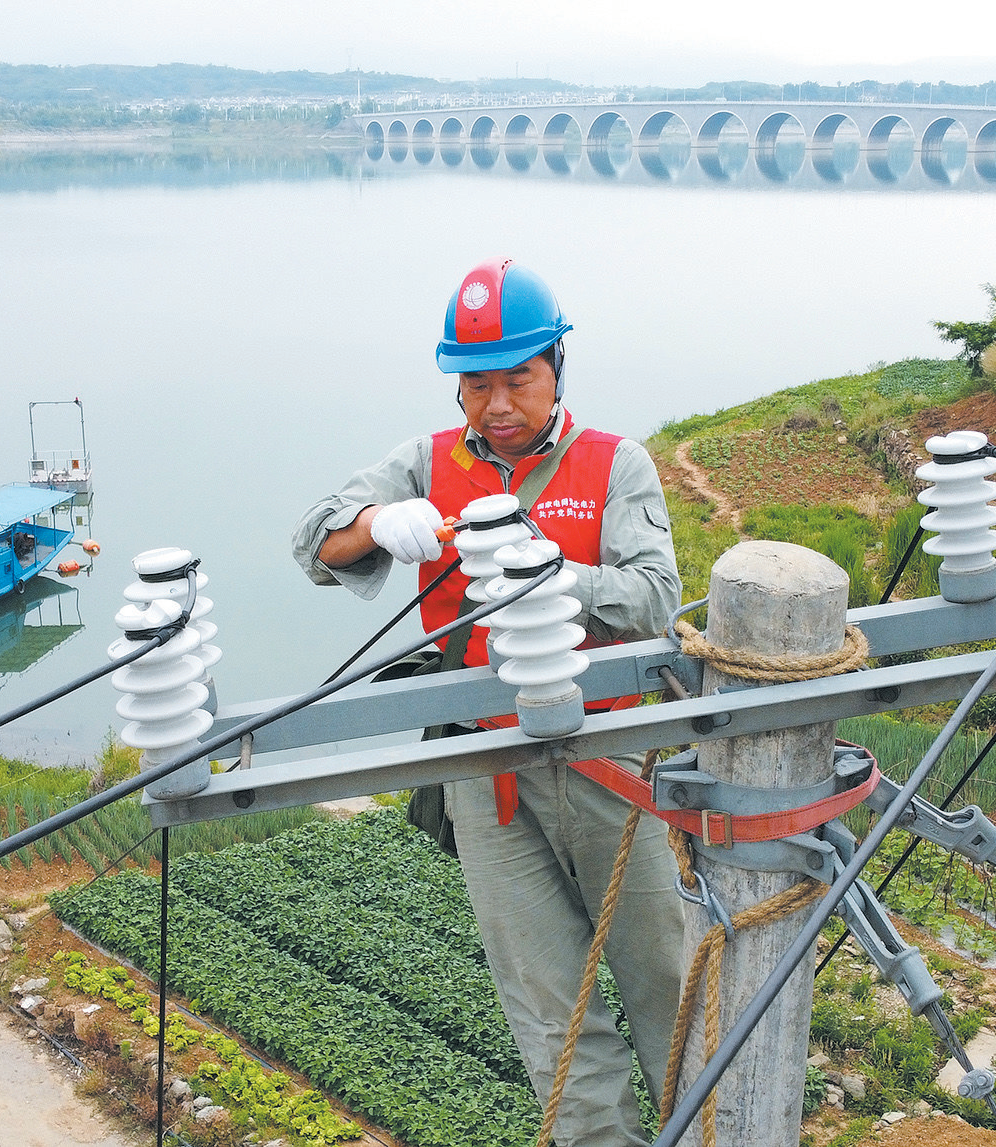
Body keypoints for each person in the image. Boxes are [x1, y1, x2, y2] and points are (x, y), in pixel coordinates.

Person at [292, 258, 688, 1145]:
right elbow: (315, 539)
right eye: (476, 383)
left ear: (556, 369)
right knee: (547, 1006)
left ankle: (712, 1128)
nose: (497, 403)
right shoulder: (426, 462)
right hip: (487, 773)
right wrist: (379, 527)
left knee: (665, 973)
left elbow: (658, 594)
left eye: (519, 378)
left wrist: (563, 576)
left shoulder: (613, 464)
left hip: (607, 760)